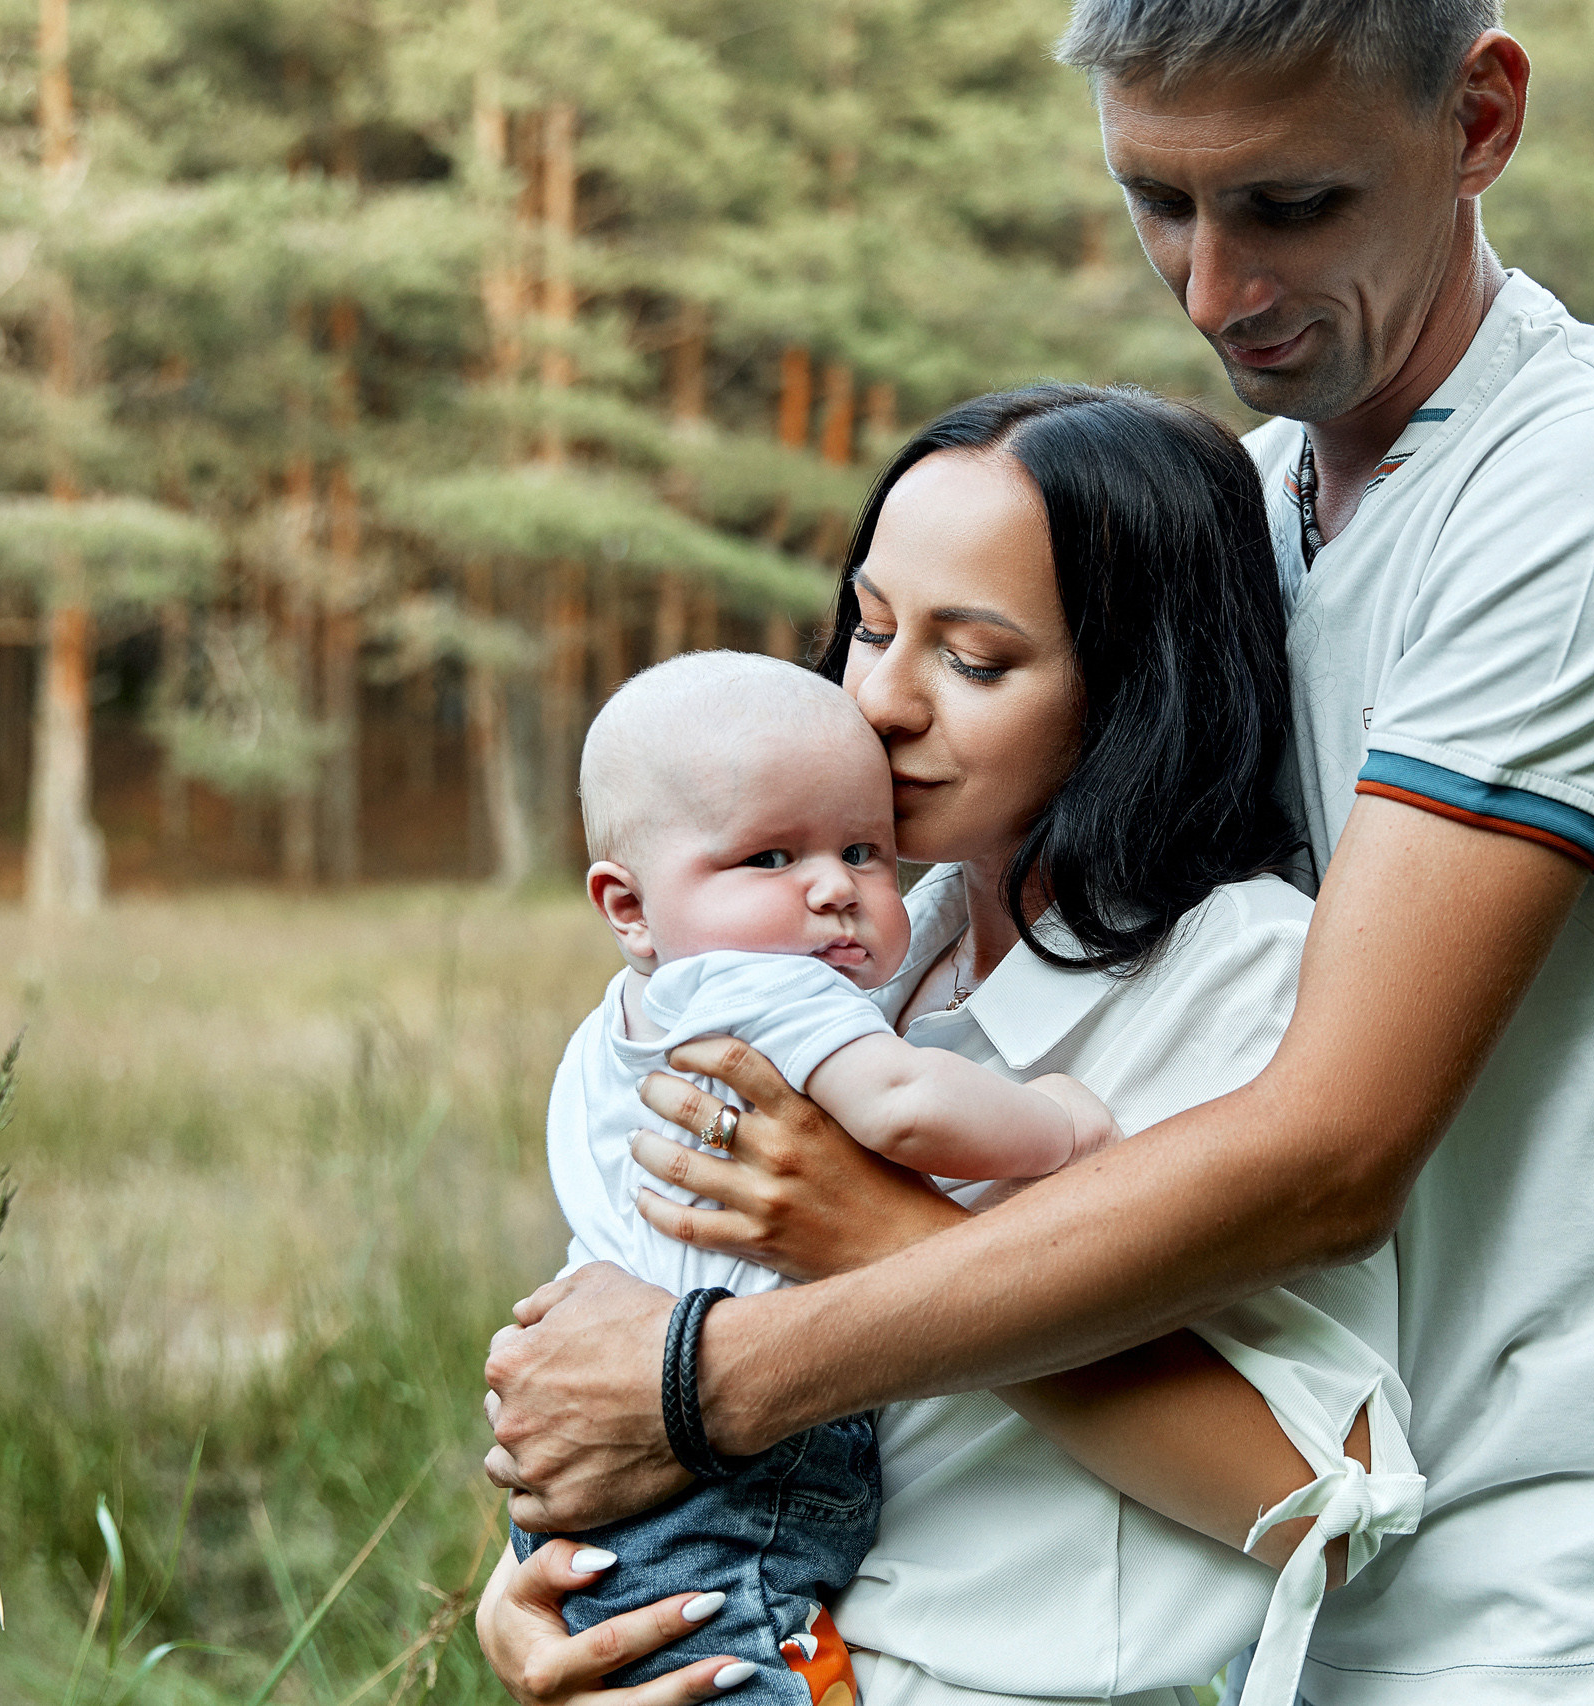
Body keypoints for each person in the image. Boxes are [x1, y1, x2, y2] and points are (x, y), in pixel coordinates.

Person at [487, 3, 1594, 1699]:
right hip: (1296, 1639)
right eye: (1159, 200)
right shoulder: (1241, 510)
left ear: (1479, 120)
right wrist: (605, 1546)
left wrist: (708, 1378)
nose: (1210, 293)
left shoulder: (1587, 499)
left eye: (1290, 206)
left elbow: (1325, 1150)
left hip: (1568, 1624)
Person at [482, 385, 1425, 1706]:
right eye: (868, 627)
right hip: (759, 1641)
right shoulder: (851, 946)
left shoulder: (1243, 975)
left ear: (1139, 687)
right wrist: (555, 1581)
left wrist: (871, 1227)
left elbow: (1316, 1501)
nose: (880, 700)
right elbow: (633, 1311)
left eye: (973, 659)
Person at [516, 649, 1126, 1705]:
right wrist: (1060, 1126)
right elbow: (903, 1102)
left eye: (863, 849)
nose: (832, 887)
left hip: (599, 1442)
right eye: (767, 856)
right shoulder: (760, 987)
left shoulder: (606, 1036)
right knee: (742, 1657)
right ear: (627, 905)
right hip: (737, 1442)